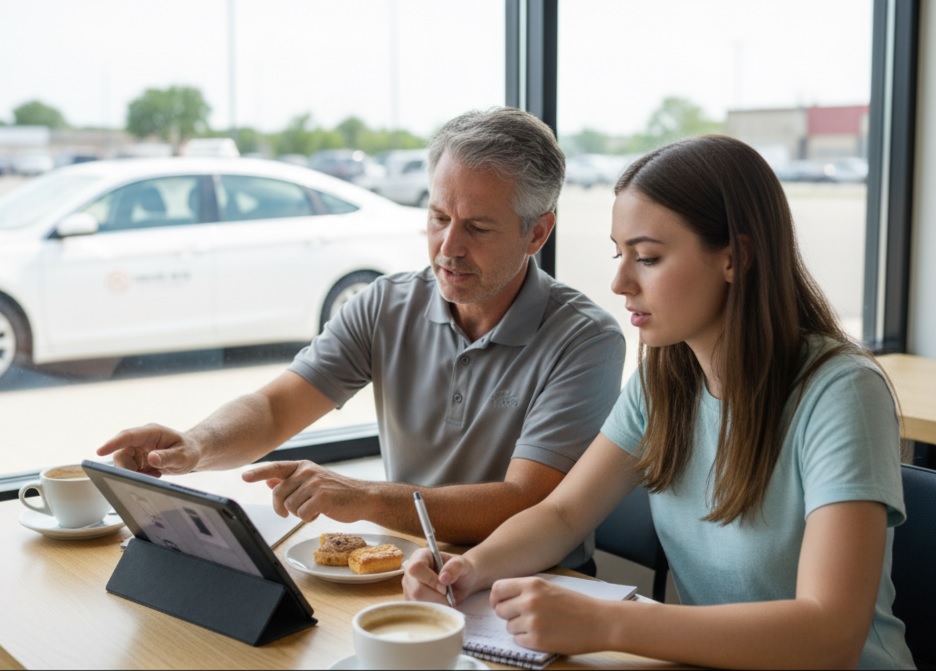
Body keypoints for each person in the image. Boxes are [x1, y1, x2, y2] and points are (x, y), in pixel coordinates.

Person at [403, 134, 914, 669]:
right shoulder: (664, 382)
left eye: (647, 257)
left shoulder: (841, 392)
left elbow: (830, 634)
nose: (620, 282)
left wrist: (606, 622)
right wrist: (468, 569)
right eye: (619, 253)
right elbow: (561, 514)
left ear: (736, 259)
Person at [97, 106, 626, 572]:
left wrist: (366, 497)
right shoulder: (384, 303)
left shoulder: (585, 340)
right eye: (439, 217)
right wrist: (195, 446)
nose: (449, 247)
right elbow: (277, 409)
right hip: (399, 567)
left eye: (478, 228)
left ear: (538, 232)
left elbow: (526, 502)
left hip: (530, 583)